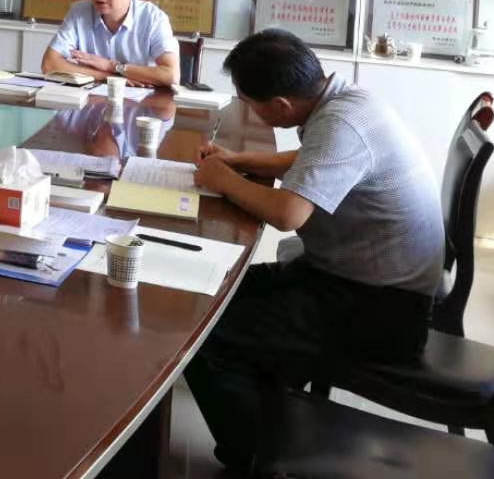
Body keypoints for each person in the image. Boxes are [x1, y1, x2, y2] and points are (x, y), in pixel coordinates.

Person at [184, 29, 445, 472]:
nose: (248, 110)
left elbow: (287, 214)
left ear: (281, 105)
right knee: (211, 292)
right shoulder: (345, 102)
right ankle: (274, 420)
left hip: (381, 310)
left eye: (249, 102)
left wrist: (224, 181)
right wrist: (239, 161)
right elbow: (309, 160)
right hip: (350, 279)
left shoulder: (342, 125)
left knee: (204, 333)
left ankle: (254, 458)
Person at [39, 0, 178, 88]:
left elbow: (171, 75)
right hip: (90, 98)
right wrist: (108, 77)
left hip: (142, 99)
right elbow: (49, 64)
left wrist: (112, 66)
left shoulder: (153, 18)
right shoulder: (79, 12)